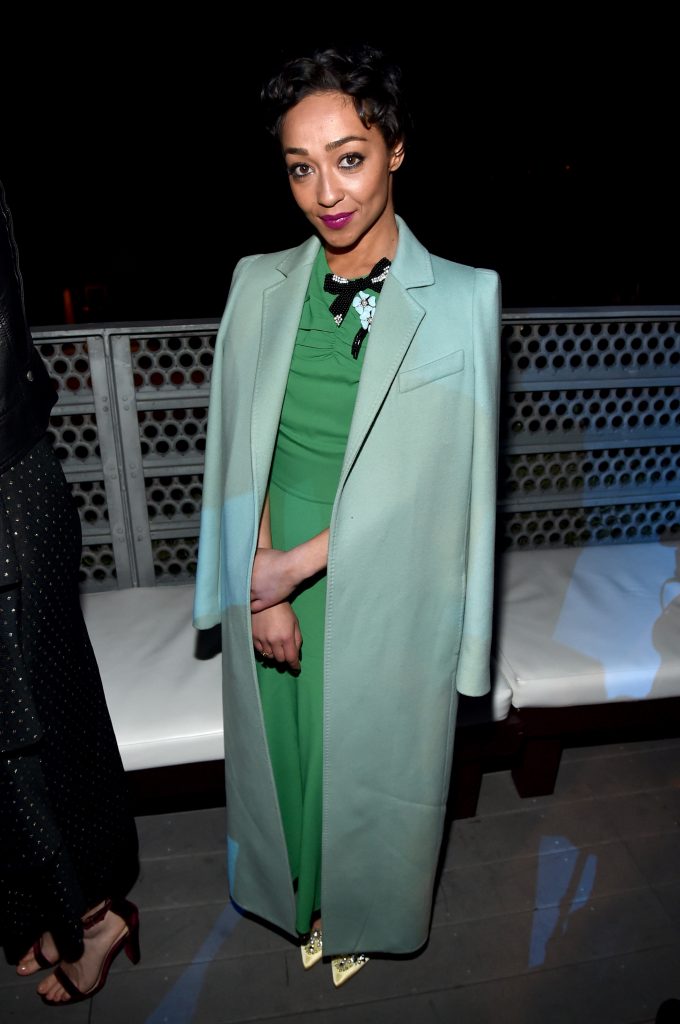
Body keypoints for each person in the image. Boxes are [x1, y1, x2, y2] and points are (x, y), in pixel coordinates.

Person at [193, 43, 501, 987]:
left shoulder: (464, 298)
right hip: (273, 548)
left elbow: (456, 489)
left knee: (370, 760)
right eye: (300, 166)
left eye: (350, 156)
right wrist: (261, 579)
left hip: (386, 570)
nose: (326, 189)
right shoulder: (257, 282)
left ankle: (362, 905)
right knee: (288, 748)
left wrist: (300, 567)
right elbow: (233, 450)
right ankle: (299, 895)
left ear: (396, 149)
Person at [0, 179, 141, 1005]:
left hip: (7, 489)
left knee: (35, 733)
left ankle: (90, 920)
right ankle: (41, 910)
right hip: (19, 481)